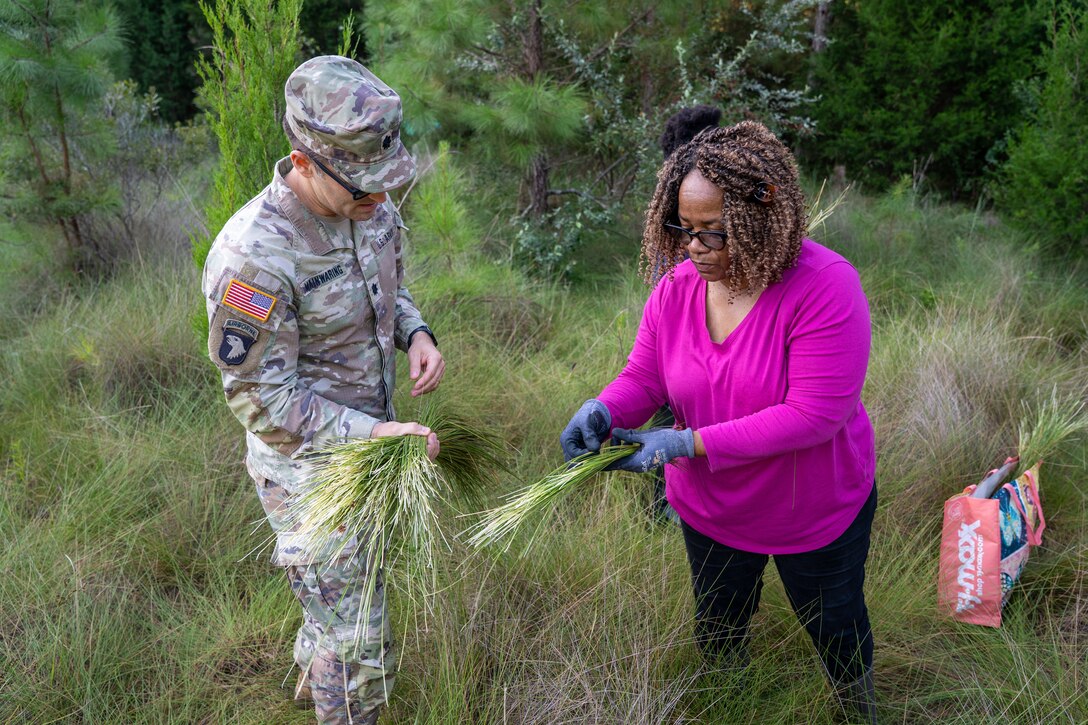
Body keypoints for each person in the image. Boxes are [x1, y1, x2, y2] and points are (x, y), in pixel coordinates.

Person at [560, 121, 878, 722]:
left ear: (761, 217)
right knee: (720, 625)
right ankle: (733, 705)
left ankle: (857, 709)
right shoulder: (677, 288)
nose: (693, 247)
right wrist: (604, 408)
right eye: (683, 228)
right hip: (712, 509)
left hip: (810, 508)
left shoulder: (825, 286)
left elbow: (813, 416)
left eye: (713, 231)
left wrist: (685, 443)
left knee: (836, 625)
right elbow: (645, 378)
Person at [202, 56, 444, 725]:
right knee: (360, 642)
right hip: (307, 472)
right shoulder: (254, 258)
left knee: (342, 608)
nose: (380, 199)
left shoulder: (369, 205)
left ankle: (317, 680)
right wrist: (375, 433)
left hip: (372, 450)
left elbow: (387, 288)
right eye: (363, 185)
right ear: (303, 163)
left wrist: (416, 332)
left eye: (387, 181)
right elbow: (260, 399)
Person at [648, 104, 724, 524]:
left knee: (683, 425)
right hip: (674, 343)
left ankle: (671, 506)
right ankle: (668, 507)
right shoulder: (674, 208)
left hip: (690, 347)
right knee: (671, 424)